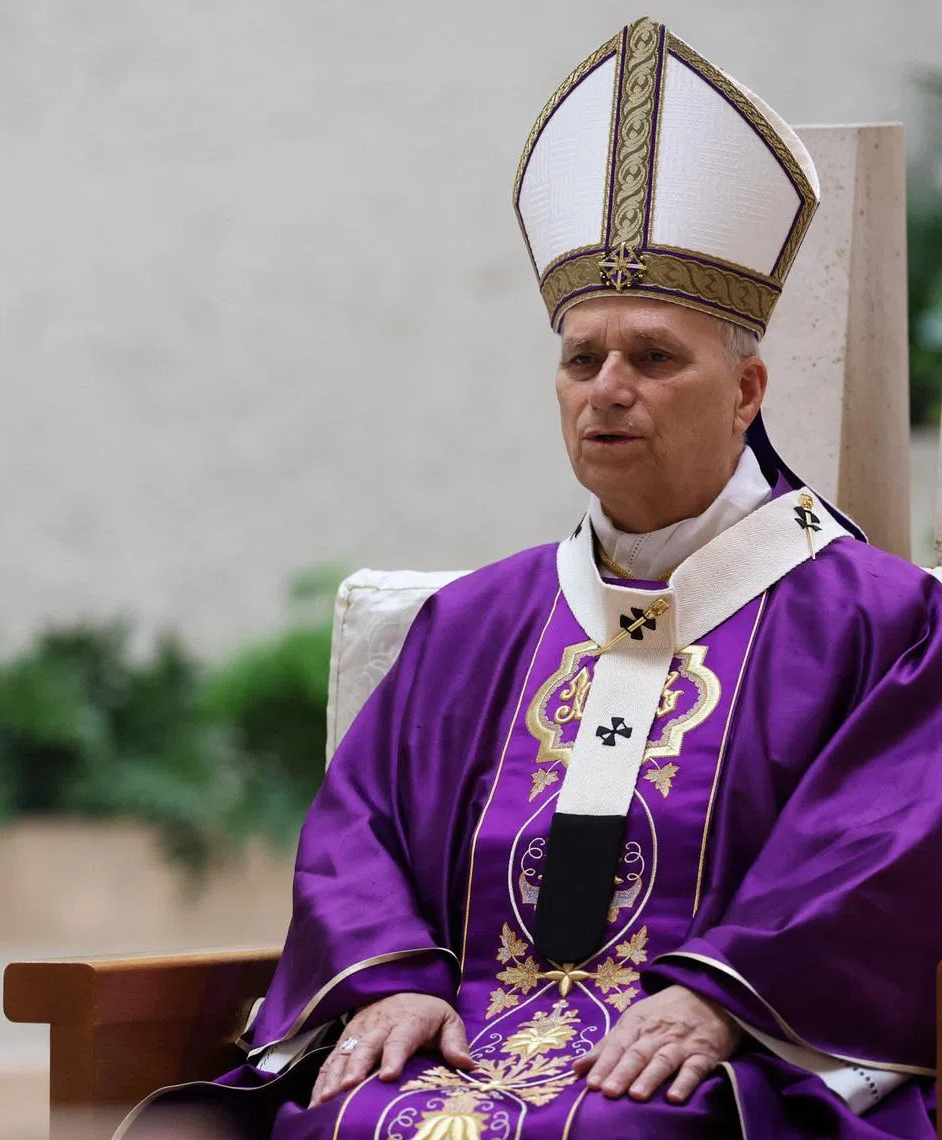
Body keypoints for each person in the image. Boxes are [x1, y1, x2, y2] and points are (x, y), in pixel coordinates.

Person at [116, 16, 941, 1139]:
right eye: (580, 357)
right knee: (349, 1119)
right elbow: (359, 827)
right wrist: (390, 977)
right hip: (456, 1040)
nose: (608, 387)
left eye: (653, 357)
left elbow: (878, 854)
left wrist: (720, 998)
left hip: (708, 1069)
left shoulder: (882, 625)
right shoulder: (475, 626)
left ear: (746, 390)